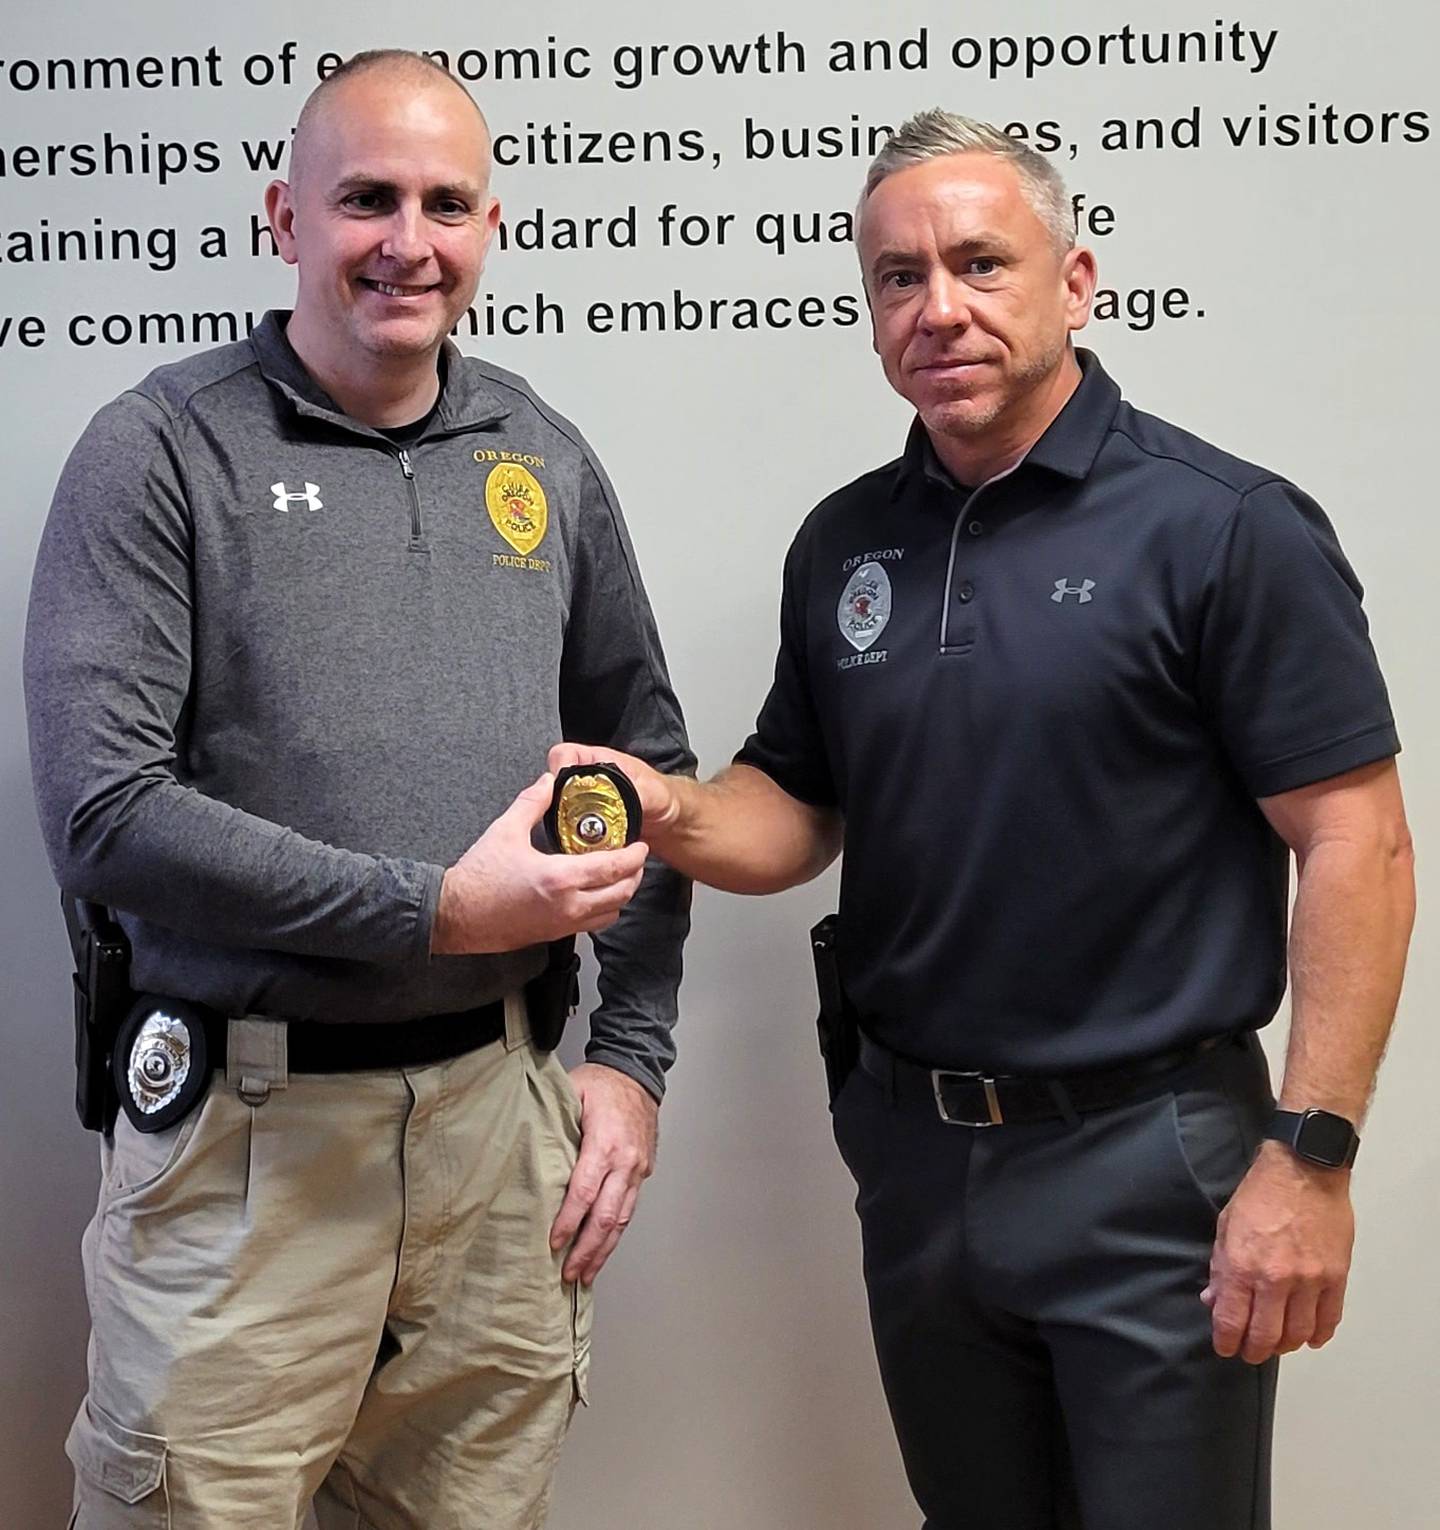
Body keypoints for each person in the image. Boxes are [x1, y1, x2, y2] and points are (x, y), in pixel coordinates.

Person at [551, 111, 1414, 1528]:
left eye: (978, 264)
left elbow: (1358, 844)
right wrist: (668, 811)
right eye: (898, 277)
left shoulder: (1224, 530)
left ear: (1074, 281)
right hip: (923, 1158)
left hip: (1156, 1166)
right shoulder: (847, 541)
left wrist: (1310, 1158)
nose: (936, 307)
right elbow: (795, 808)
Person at [24, 49, 693, 1530]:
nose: (409, 240)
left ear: (490, 225)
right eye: (366, 198)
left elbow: (648, 775)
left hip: (498, 1138)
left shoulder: (540, 455)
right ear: (283, 217)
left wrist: (629, 1057)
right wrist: (435, 910)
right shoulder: (161, 452)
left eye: (446, 202)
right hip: (244, 1146)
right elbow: (104, 810)